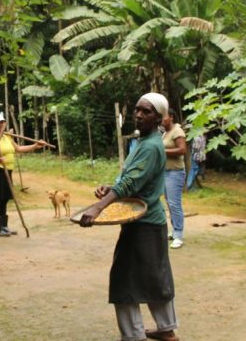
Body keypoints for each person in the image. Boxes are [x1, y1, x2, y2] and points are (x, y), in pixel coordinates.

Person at [79, 93, 180, 341]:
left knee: (124, 281)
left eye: (146, 111)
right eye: (137, 110)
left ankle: (134, 335)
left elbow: (130, 183)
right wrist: (109, 187)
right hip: (143, 220)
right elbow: (128, 180)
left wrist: (98, 207)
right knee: (155, 276)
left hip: (144, 222)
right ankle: (166, 328)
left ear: (158, 117)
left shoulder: (151, 146)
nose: (138, 115)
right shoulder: (144, 141)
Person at [0, 112, 46, 237]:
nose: (1, 125)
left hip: (8, 170)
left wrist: (35, 146)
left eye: (2, 122)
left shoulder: (7, 137)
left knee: (5, 198)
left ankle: (4, 226)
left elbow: (18, 149)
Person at [162, 109, 187, 249]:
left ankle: (178, 235)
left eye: (164, 117)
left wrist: (162, 151)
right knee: (169, 204)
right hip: (165, 172)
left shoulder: (177, 131)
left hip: (175, 173)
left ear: (171, 117)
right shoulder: (165, 133)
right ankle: (174, 230)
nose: (162, 119)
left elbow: (182, 150)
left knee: (174, 204)